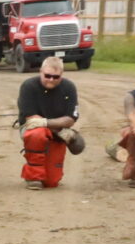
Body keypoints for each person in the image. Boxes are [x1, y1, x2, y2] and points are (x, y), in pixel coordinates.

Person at [15, 54, 84, 189]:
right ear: (40, 71)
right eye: (47, 75)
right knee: (37, 134)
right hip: (33, 129)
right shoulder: (28, 86)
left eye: (56, 77)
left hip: (56, 131)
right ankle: (33, 176)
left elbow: (70, 119)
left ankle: (47, 174)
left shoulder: (69, 87)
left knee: (52, 182)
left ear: (61, 75)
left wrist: (47, 124)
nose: (51, 79)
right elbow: (32, 120)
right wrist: (55, 127)